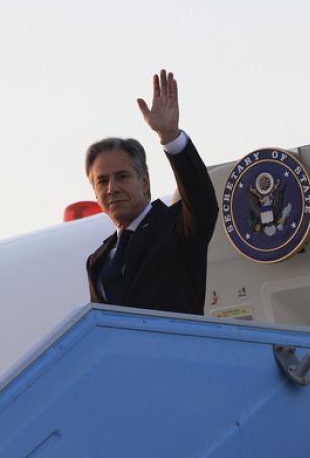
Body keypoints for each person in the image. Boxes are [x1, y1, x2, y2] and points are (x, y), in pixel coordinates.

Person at [84, 70, 218, 315]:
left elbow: (202, 202)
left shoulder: (177, 228)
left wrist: (171, 137)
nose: (112, 188)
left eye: (122, 176)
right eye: (102, 181)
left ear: (144, 181)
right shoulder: (98, 260)